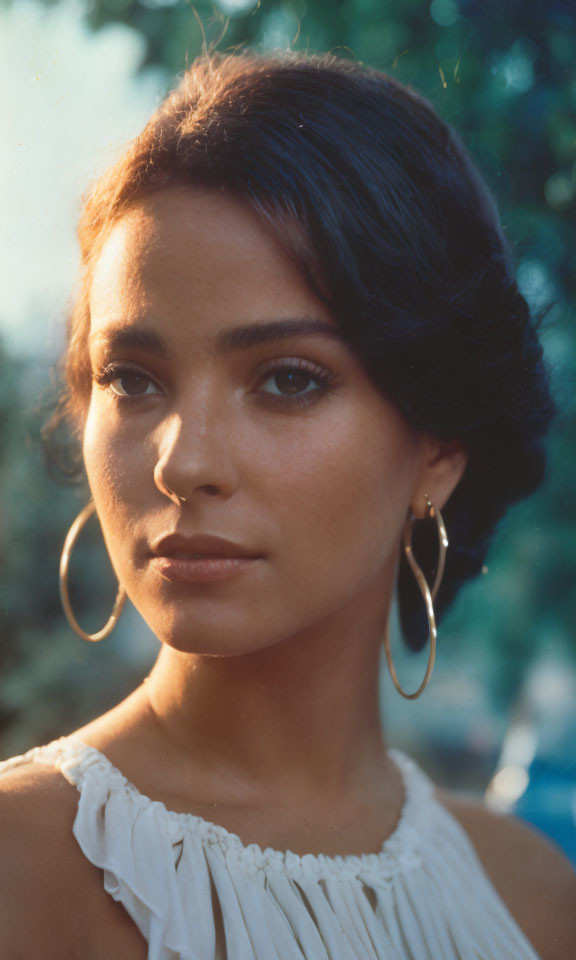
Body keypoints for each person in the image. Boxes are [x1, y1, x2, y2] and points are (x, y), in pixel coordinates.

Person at [1, 48, 575, 960]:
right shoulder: (20, 873)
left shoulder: (536, 901)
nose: (182, 463)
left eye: (287, 380)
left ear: (438, 451)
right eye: (133, 379)